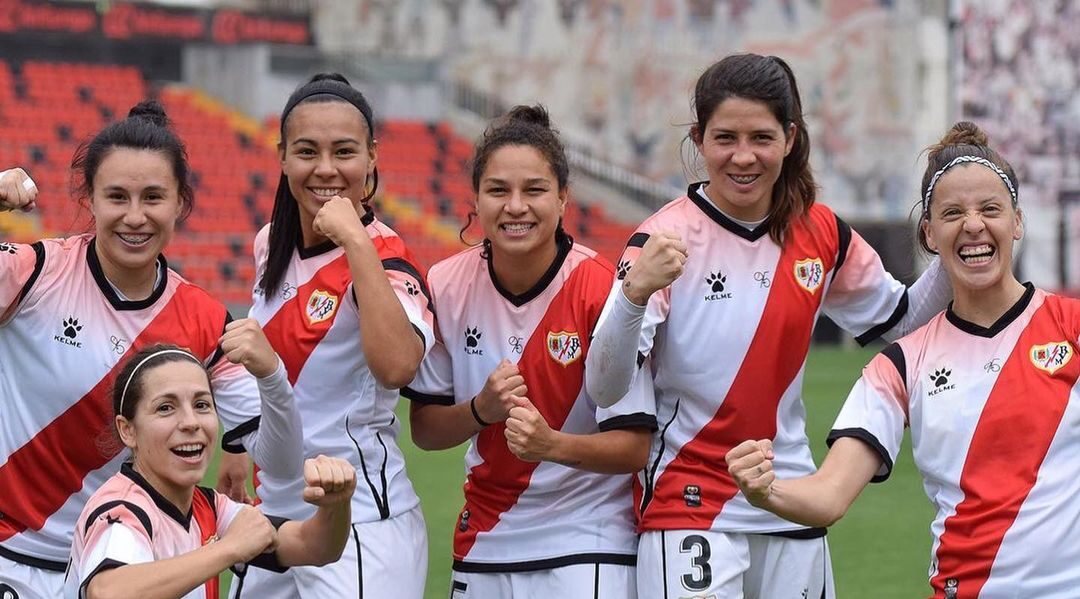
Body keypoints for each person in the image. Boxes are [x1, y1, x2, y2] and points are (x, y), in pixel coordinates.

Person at [583, 53, 953, 598]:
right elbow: (604, 386)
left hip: (790, 500)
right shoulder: (661, 241)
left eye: (761, 137)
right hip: (690, 507)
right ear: (699, 138)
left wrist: (955, 244)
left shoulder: (821, 232)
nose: (743, 156)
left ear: (789, 137)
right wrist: (634, 292)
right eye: (725, 137)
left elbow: (901, 323)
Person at [727, 121, 1079, 598]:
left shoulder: (1071, 327)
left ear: (1016, 221)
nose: (973, 224)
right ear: (930, 234)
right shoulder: (901, 365)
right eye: (953, 213)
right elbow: (830, 495)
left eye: (990, 209)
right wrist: (766, 491)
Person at [0, 101, 303, 599]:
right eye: (117, 196)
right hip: (11, 557)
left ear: (180, 202)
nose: (135, 217)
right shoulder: (33, 274)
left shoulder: (206, 322)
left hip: (125, 564)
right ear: (90, 199)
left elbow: (282, 460)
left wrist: (271, 375)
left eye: (153, 197)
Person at [404, 105, 656, 597]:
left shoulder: (599, 288)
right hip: (487, 541)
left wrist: (551, 446)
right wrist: (481, 410)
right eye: (498, 190)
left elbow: (634, 447)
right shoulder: (446, 284)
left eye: (534, 190)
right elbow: (426, 431)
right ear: (475, 200)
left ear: (563, 199)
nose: (515, 206)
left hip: (589, 539)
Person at [234, 73, 433, 599]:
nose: (325, 168)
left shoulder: (388, 256)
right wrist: (239, 444)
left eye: (344, 151)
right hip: (274, 517)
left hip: (361, 527)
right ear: (281, 157)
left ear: (371, 157)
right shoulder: (269, 244)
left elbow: (397, 367)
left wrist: (354, 238)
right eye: (306, 151)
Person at [66, 344, 356, 599]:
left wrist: (337, 504)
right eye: (166, 408)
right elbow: (109, 592)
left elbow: (315, 546)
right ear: (127, 430)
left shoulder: (210, 508)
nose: (191, 422)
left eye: (202, 405)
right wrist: (227, 549)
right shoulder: (124, 509)